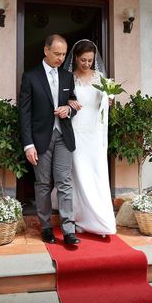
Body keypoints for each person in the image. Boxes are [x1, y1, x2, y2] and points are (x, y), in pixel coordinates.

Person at [18, 34, 80, 245]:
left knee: (64, 182)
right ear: (46, 51)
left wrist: (68, 109)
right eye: (57, 53)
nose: (61, 58)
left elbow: (74, 103)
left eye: (63, 54)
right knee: (43, 184)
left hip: (64, 136)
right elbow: (24, 113)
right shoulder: (30, 76)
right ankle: (45, 227)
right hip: (40, 139)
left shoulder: (67, 76)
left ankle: (69, 229)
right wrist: (28, 144)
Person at [64, 39, 117, 236]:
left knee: (97, 174)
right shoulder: (68, 78)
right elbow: (61, 100)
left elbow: (104, 104)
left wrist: (109, 100)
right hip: (76, 132)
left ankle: (102, 221)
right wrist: (68, 100)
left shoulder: (100, 77)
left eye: (90, 60)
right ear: (75, 58)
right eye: (83, 60)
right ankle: (80, 218)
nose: (87, 64)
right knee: (79, 176)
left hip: (95, 134)